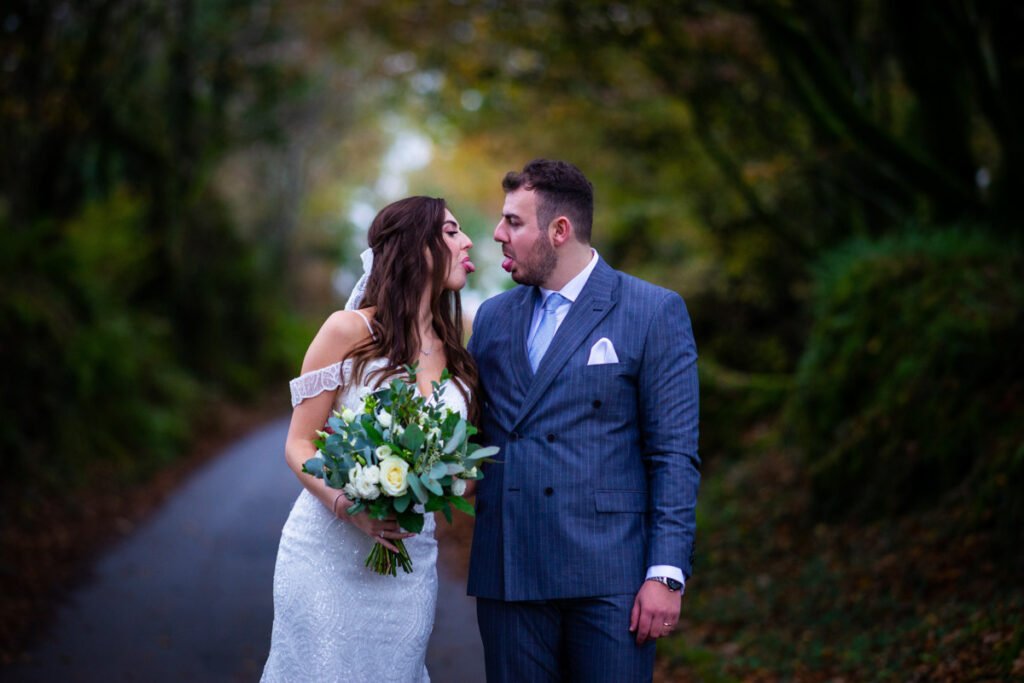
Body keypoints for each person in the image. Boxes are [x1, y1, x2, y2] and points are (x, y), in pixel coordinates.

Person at [467, 159, 700, 682]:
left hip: (609, 575)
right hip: (509, 569)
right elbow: (465, 433)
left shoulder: (651, 310)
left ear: (560, 230)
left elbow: (673, 453)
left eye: (514, 222)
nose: (499, 235)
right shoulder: (492, 317)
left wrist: (667, 572)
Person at [261, 196, 478, 682]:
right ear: (413, 247)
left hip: (409, 564)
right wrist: (348, 505)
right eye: (451, 232)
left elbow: (464, 469)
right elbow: (299, 444)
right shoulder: (347, 331)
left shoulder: (459, 358)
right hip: (326, 555)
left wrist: (444, 482)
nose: (466, 243)